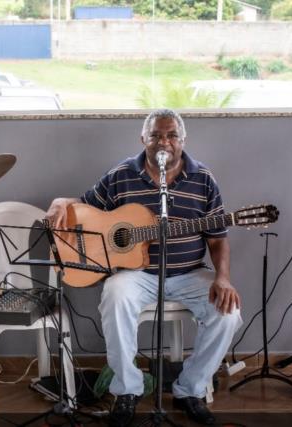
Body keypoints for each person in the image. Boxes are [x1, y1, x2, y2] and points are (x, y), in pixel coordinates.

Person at [47, 109, 242, 426]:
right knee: (115, 293)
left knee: (228, 312)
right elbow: (83, 206)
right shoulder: (122, 174)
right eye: (156, 135)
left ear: (183, 140)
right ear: (143, 139)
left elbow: (218, 239)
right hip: (138, 275)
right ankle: (127, 390)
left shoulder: (203, 178)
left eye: (171, 135)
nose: (164, 141)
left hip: (190, 273)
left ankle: (189, 390)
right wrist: (59, 202)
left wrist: (223, 278)